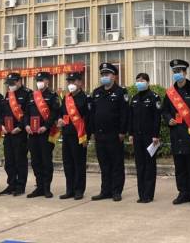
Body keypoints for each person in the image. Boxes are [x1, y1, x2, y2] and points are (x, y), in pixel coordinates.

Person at [162, 59, 190, 206]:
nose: (177, 74)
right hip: (176, 134)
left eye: (179, 71)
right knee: (179, 166)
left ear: (185, 72)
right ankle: (183, 193)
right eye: (174, 72)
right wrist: (168, 119)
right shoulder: (170, 93)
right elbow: (165, 111)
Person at [90, 63, 128, 202]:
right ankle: (105, 190)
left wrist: (123, 131)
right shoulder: (97, 92)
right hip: (100, 135)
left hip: (115, 134)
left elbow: (124, 113)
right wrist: (92, 132)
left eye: (107, 74)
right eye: (103, 74)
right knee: (104, 164)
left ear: (114, 76)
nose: (104, 77)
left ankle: (116, 191)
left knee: (116, 164)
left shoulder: (120, 92)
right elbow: (93, 113)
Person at [25, 71, 60, 199]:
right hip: (32, 133)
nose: (39, 82)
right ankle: (39, 187)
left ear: (47, 81)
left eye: (42, 80)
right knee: (35, 161)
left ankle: (46, 188)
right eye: (38, 80)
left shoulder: (52, 96)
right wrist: (26, 125)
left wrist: (45, 126)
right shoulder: (31, 96)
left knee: (46, 161)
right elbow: (26, 114)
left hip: (46, 133)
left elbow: (54, 114)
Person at [128, 72, 162, 203]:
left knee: (149, 166)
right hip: (137, 136)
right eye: (137, 80)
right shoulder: (134, 98)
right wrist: (130, 133)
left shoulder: (154, 97)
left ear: (147, 82)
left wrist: (156, 135)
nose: (139, 82)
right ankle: (141, 194)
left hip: (150, 138)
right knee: (140, 165)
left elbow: (157, 118)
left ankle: (148, 195)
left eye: (142, 80)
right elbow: (131, 118)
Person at [58, 71, 90, 200]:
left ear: (80, 82)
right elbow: (61, 113)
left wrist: (87, 136)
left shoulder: (85, 98)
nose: (71, 84)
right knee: (68, 163)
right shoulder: (66, 98)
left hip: (79, 136)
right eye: (69, 82)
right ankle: (69, 189)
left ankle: (79, 190)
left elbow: (88, 118)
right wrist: (59, 120)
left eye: (73, 81)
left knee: (79, 164)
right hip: (66, 134)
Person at [0, 72, 31, 197]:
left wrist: (20, 127)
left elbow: (28, 114)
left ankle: (20, 186)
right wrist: (2, 125)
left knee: (20, 160)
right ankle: (11, 184)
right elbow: (3, 113)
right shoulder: (8, 94)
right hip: (8, 133)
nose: (10, 86)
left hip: (20, 133)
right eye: (9, 84)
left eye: (12, 83)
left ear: (19, 82)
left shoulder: (28, 94)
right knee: (9, 161)